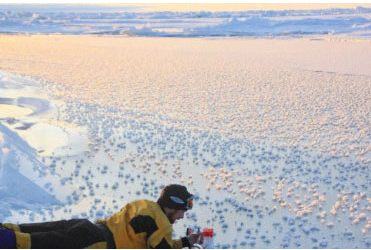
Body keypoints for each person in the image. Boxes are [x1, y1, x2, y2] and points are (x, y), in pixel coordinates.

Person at [0, 184, 202, 248]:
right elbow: (161, 245)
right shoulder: (161, 225)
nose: (183, 216)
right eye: (183, 210)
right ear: (172, 206)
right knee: (30, 243)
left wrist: (184, 241)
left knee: (29, 230)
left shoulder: (146, 206)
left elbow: (159, 242)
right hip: (95, 244)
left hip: (87, 227)